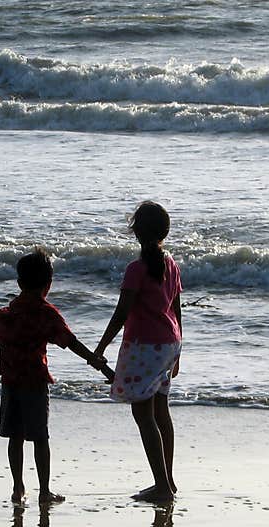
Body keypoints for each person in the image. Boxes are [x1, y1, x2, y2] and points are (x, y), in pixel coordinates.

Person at [0, 248, 114, 505]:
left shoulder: (4, 315)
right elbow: (70, 342)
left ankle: (18, 488)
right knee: (39, 438)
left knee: (15, 437)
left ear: (19, 283)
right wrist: (98, 363)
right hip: (34, 383)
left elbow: (5, 348)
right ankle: (44, 491)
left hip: (11, 383)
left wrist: (2, 364)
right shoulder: (45, 313)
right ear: (48, 284)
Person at [93, 201, 182, 503]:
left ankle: (161, 486)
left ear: (136, 232)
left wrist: (101, 346)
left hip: (145, 345)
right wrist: (179, 351)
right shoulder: (170, 263)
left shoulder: (137, 269)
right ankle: (167, 479)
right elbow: (176, 309)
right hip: (169, 342)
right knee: (161, 412)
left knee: (143, 414)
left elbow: (122, 313)